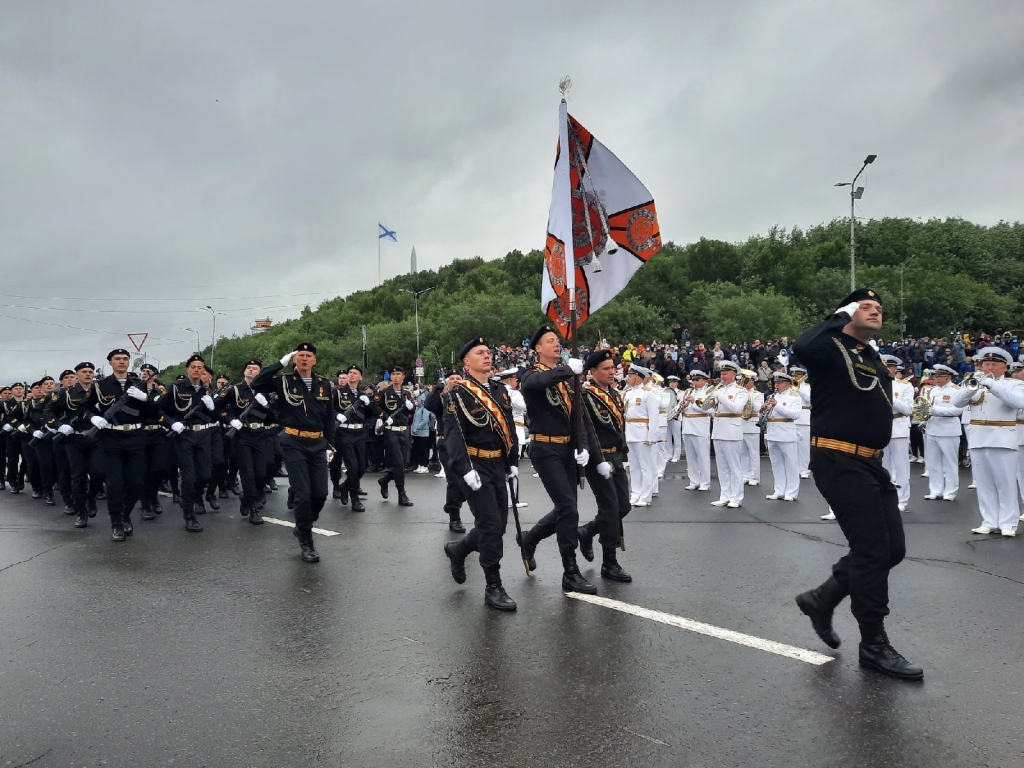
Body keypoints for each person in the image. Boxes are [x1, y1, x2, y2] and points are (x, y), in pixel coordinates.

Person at [792, 288, 922, 681]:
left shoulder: (870, 355)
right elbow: (802, 345)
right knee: (870, 550)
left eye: (879, 308)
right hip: (838, 458)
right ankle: (873, 645)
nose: (875, 311)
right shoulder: (830, 348)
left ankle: (823, 597)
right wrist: (839, 316)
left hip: (871, 462)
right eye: (866, 306)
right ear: (847, 312)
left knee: (892, 549)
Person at [516, 324, 604, 594]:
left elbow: (579, 417)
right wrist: (569, 369)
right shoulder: (530, 374)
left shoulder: (568, 380)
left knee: (567, 508)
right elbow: (539, 383)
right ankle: (570, 570)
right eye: (550, 341)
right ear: (538, 348)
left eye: (558, 340)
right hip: (545, 449)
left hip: (567, 450)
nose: (557, 344)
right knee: (568, 508)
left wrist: (585, 447)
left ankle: (530, 539)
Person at [441, 337, 519, 611]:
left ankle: (459, 549)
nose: (487, 356)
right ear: (467, 361)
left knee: (498, 526)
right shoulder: (457, 393)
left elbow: (508, 427)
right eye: (480, 353)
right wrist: (465, 469)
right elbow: (453, 436)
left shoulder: (500, 390)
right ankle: (493, 586)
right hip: (475, 466)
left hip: (498, 465)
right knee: (489, 525)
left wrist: (513, 460)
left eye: (488, 352)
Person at [250, 343, 337, 562]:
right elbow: (258, 383)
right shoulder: (283, 381)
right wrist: (280, 363)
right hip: (293, 441)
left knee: (320, 494)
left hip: (317, 443)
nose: (305, 359)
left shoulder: (325, 384)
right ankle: (306, 541)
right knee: (303, 493)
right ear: (295, 359)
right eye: (300, 355)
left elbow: (328, 416)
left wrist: (330, 443)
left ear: (315, 360)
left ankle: (303, 524)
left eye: (309, 356)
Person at [950, 348, 1024, 536]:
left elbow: (1018, 402)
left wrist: (991, 384)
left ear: (1004, 367)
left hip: (1002, 437)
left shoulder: (1014, 384)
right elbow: (956, 403)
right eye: (986, 364)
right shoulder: (974, 382)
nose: (989, 368)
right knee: (984, 484)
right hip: (978, 437)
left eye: (994, 364)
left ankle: (1008, 523)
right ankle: (989, 520)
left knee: (1005, 483)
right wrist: (968, 388)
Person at [92, 348, 162, 542]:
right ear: (110, 363)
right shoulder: (100, 386)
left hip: (135, 437)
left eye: (125, 359)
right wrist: (93, 418)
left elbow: (153, 412)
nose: (122, 361)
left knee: (137, 483)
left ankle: (125, 513)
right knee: (115, 484)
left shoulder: (138, 385)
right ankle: (116, 521)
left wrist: (145, 399)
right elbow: (84, 407)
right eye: (118, 359)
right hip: (111, 438)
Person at [576, 349, 631, 582]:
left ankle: (587, 531)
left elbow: (619, 428)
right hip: (599, 459)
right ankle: (610, 561)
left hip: (616, 456)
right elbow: (587, 430)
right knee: (610, 508)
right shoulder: (586, 395)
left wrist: (623, 452)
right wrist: (597, 460)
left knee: (624, 507)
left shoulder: (616, 395)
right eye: (607, 369)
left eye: (613, 368)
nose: (612, 372)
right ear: (593, 372)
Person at [159, 354, 221, 531]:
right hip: (184, 435)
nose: (196, 370)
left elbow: (215, 415)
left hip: (203, 435)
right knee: (189, 476)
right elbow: (159, 408)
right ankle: (189, 514)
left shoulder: (207, 391)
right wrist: (171, 423)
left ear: (203, 370)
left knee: (205, 475)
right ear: (187, 369)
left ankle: (194, 497)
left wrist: (212, 407)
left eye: (200, 367)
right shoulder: (176, 388)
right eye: (193, 367)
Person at [702, 361, 749, 508]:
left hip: (732, 431)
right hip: (718, 430)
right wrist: (706, 404)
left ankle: (736, 497)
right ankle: (725, 495)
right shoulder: (719, 390)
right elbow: (708, 409)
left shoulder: (741, 391)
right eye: (721, 373)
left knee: (734, 466)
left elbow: (736, 409)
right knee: (722, 467)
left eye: (725, 373)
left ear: (734, 374)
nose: (722, 376)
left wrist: (720, 396)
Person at [424, 371, 467, 532]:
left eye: (458, 379)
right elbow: (429, 405)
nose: (455, 381)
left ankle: (451, 504)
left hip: (466, 444)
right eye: (452, 379)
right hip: (446, 443)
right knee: (454, 479)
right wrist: (440, 390)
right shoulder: (442, 397)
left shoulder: (468, 395)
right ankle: (454, 517)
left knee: (466, 482)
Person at [372, 366, 415, 507]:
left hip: (404, 431)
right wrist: (385, 417)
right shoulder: (384, 392)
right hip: (391, 431)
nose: (395, 376)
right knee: (398, 462)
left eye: (398, 374)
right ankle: (402, 494)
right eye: (393, 374)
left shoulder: (407, 394)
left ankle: (384, 480)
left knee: (403, 464)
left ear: (403, 377)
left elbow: (412, 411)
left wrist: (411, 407)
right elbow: (375, 406)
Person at [922, 364, 963, 501]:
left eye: (940, 376)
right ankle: (935, 490)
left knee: (950, 463)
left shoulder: (956, 390)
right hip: (932, 428)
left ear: (949, 377)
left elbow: (957, 411)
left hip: (948, 430)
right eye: (936, 376)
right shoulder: (932, 390)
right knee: (933, 463)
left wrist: (935, 411)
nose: (937, 379)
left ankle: (950, 492)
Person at [334, 365, 371, 511]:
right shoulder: (338, 392)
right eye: (350, 372)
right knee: (352, 468)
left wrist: (368, 404)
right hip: (344, 433)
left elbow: (371, 414)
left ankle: (344, 486)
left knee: (361, 467)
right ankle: (354, 499)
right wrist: (337, 415)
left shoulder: (362, 394)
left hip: (360, 434)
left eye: (355, 373)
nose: (351, 375)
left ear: (360, 377)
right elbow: (328, 408)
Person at [880, 355, 914, 512]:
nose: (887, 370)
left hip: (898, 427)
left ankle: (902, 499)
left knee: (901, 467)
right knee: (882, 466)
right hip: (879, 427)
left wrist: (890, 398)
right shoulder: (874, 383)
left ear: (895, 369)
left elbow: (908, 410)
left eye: (889, 367)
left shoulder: (904, 386)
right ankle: (885, 497)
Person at [623, 363, 659, 506]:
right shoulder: (628, 393)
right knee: (634, 466)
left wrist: (651, 437)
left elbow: (654, 417)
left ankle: (646, 496)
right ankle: (635, 493)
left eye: (630, 376)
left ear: (638, 378)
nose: (628, 378)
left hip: (643, 433)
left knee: (645, 466)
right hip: (630, 432)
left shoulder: (648, 394)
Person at [764, 371, 801, 501]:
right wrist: (763, 410)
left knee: (791, 464)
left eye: (779, 383)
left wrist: (777, 405)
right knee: (776, 464)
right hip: (772, 432)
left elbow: (795, 415)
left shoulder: (794, 397)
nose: (776, 385)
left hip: (786, 433)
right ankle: (779, 490)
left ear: (787, 384)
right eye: (775, 382)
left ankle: (791, 492)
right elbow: (768, 416)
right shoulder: (773, 396)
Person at [680, 372, 712, 491]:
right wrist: (682, 405)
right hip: (687, 425)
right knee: (690, 456)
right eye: (693, 380)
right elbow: (682, 407)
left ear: (704, 381)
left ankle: (705, 483)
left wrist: (693, 402)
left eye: (697, 380)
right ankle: (694, 480)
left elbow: (708, 410)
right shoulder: (689, 391)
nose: (694, 382)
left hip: (700, 426)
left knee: (702, 456)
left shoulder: (708, 392)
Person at [739, 370, 763, 487]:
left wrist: (747, 396)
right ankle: (745, 475)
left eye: (747, 381)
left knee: (753, 453)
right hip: (741, 423)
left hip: (752, 424)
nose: (744, 383)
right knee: (743, 452)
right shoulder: (740, 393)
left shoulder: (758, 394)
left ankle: (755, 477)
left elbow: (757, 408)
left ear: (752, 382)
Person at [791, 367, 812, 478]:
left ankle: (804, 470)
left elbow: (809, 400)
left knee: (803, 446)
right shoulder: (790, 387)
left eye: (797, 376)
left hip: (803, 418)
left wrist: (798, 388)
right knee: (793, 446)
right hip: (792, 418)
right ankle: (795, 468)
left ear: (803, 376)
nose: (795, 378)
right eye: (794, 376)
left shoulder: (807, 387)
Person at [665, 375, 683, 463]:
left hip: (676, 417)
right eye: (670, 382)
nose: (671, 384)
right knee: (667, 437)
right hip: (667, 416)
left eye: (673, 382)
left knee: (676, 437)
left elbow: (680, 404)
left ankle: (676, 455)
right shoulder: (666, 392)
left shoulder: (681, 393)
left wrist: (673, 413)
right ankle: (669, 454)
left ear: (677, 383)